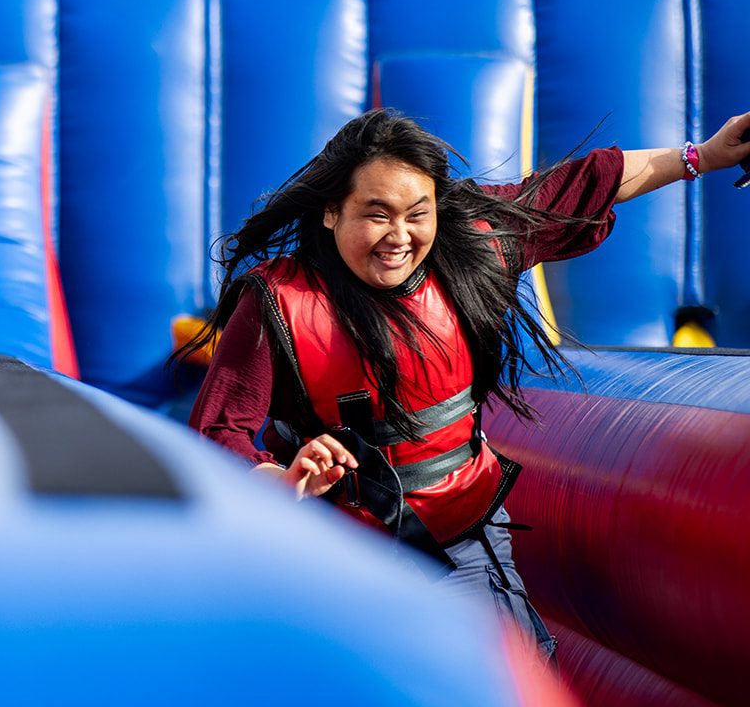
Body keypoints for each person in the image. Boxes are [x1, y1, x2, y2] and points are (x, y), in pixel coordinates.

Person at [185, 106, 750, 660]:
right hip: (335, 556)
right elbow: (217, 431)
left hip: (460, 540)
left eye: (417, 213)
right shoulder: (276, 305)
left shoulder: (473, 244)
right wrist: (280, 479)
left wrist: (704, 155)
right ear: (332, 211)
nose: (399, 236)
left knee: (516, 704)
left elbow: (585, 184)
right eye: (376, 214)